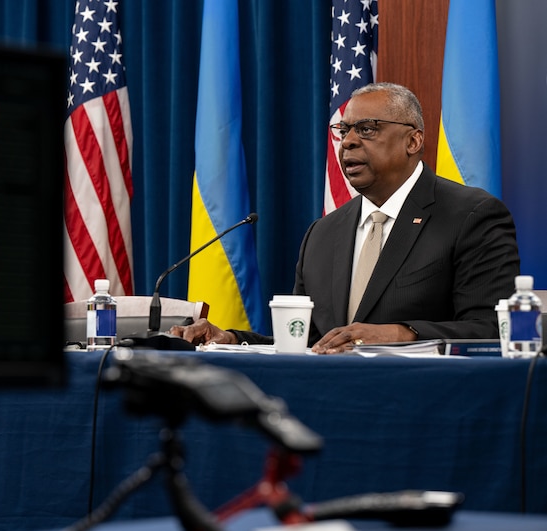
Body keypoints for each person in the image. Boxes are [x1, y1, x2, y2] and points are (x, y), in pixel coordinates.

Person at [170, 82, 520, 354]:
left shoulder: (471, 216)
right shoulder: (323, 232)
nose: (348, 142)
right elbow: (308, 340)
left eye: (367, 129)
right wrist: (232, 339)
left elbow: (491, 329)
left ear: (413, 141)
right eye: (344, 131)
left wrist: (401, 333)